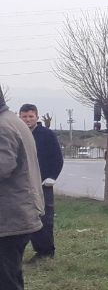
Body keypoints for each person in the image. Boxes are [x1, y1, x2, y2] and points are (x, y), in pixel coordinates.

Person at [0, 88, 44, 290]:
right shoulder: (12, 122)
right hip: (17, 216)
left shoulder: (4, 127)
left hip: (9, 221)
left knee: (6, 289)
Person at [18, 104, 63, 261]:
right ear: (20, 117)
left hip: (43, 184)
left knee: (44, 218)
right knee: (27, 218)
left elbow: (57, 158)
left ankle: (46, 251)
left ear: (37, 117)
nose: (28, 119)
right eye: (24, 116)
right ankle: (34, 250)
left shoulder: (47, 135)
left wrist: (52, 177)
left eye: (31, 116)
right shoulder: (17, 134)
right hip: (23, 184)